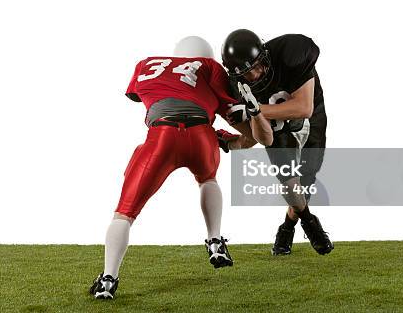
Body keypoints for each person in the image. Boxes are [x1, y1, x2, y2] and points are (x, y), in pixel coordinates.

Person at [90, 36, 273, 299]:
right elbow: (242, 127)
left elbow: (141, 93)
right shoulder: (210, 68)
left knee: (125, 213)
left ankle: (109, 278)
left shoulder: (146, 64)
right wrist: (240, 132)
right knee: (208, 179)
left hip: (161, 134)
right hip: (201, 132)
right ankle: (215, 240)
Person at [221, 29, 333, 256]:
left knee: (307, 180)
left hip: (310, 118)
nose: (254, 75)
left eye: (256, 65)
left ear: (264, 54)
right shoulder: (235, 88)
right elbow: (259, 137)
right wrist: (235, 141)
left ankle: (287, 226)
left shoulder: (291, 52)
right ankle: (309, 222)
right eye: (246, 72)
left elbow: (304, 107)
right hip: (276, 128)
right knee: (290, 183)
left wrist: (256, 109)